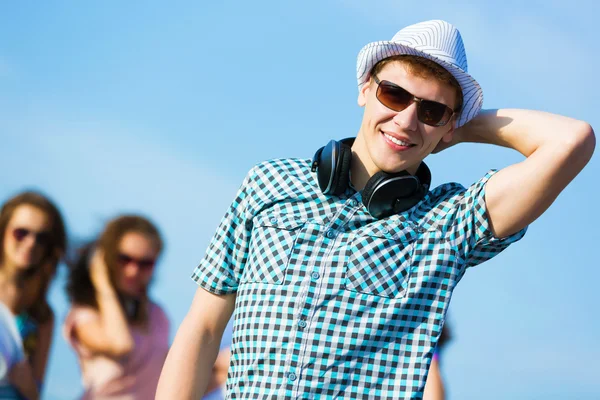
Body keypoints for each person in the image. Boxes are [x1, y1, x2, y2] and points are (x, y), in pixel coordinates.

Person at [157, 19, 595, 399]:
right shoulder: (266, 184)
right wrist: (437, 118)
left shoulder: (449, 222)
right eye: (394, 94)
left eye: (430, 109)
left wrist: (456, 126)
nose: (406, 121)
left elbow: (571, 141)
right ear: (365, 87)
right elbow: (203, 330)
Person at [63, 215, 170, 399]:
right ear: (106, 259)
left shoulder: (158, 316)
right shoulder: (84, 316)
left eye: (145, 263)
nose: (133, 270)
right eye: (124, 259)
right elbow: (121, 344)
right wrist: (102, 282)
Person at [0, 191, 67, 399]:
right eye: (21, 233)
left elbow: (35, 393)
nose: (31, 243)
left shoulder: (42, 315)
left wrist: (24, 378)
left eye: (42, 238)